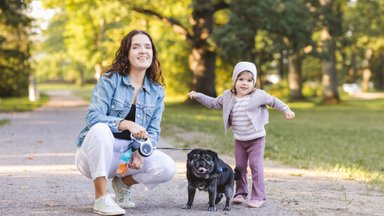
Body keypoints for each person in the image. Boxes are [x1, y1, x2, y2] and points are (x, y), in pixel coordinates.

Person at [75, 29, 176, 215]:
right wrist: (126, 124)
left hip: (123, 160)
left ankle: (122, 184)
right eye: (136, 47)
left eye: (147, 47)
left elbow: (152, 132)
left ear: (153, 53)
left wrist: (139, 151)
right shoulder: (110, 80)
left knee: (167, 167)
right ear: (126, 53)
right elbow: (93, 117)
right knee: (100, 129)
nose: (143, 51)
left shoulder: (157, 91)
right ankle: (101, 197)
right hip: (94, 157)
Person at [188, 61, 295, 208]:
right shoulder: (228, 96)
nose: (245, 83)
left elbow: (273, 101)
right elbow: (213, 103)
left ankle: (259, 196)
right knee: (240, 167)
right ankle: (240, 193)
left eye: (249, 80)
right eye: (241, 79)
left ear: (254, 82)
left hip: (256, 138)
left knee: (255, 166)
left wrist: (286, 110)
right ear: (234, 81)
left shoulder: (258, 95)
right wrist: (198, 95)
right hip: (239, 139)